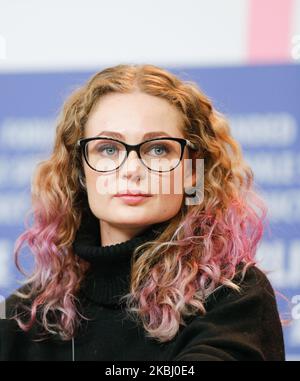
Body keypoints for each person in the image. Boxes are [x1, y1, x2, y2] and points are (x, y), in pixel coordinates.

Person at [0, 64, 285, 361]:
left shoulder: (233, 296)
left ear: (192, 171)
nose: (132, 169)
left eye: (158, 149)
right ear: (80, 171)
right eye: (108, 149)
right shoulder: (24, 316)